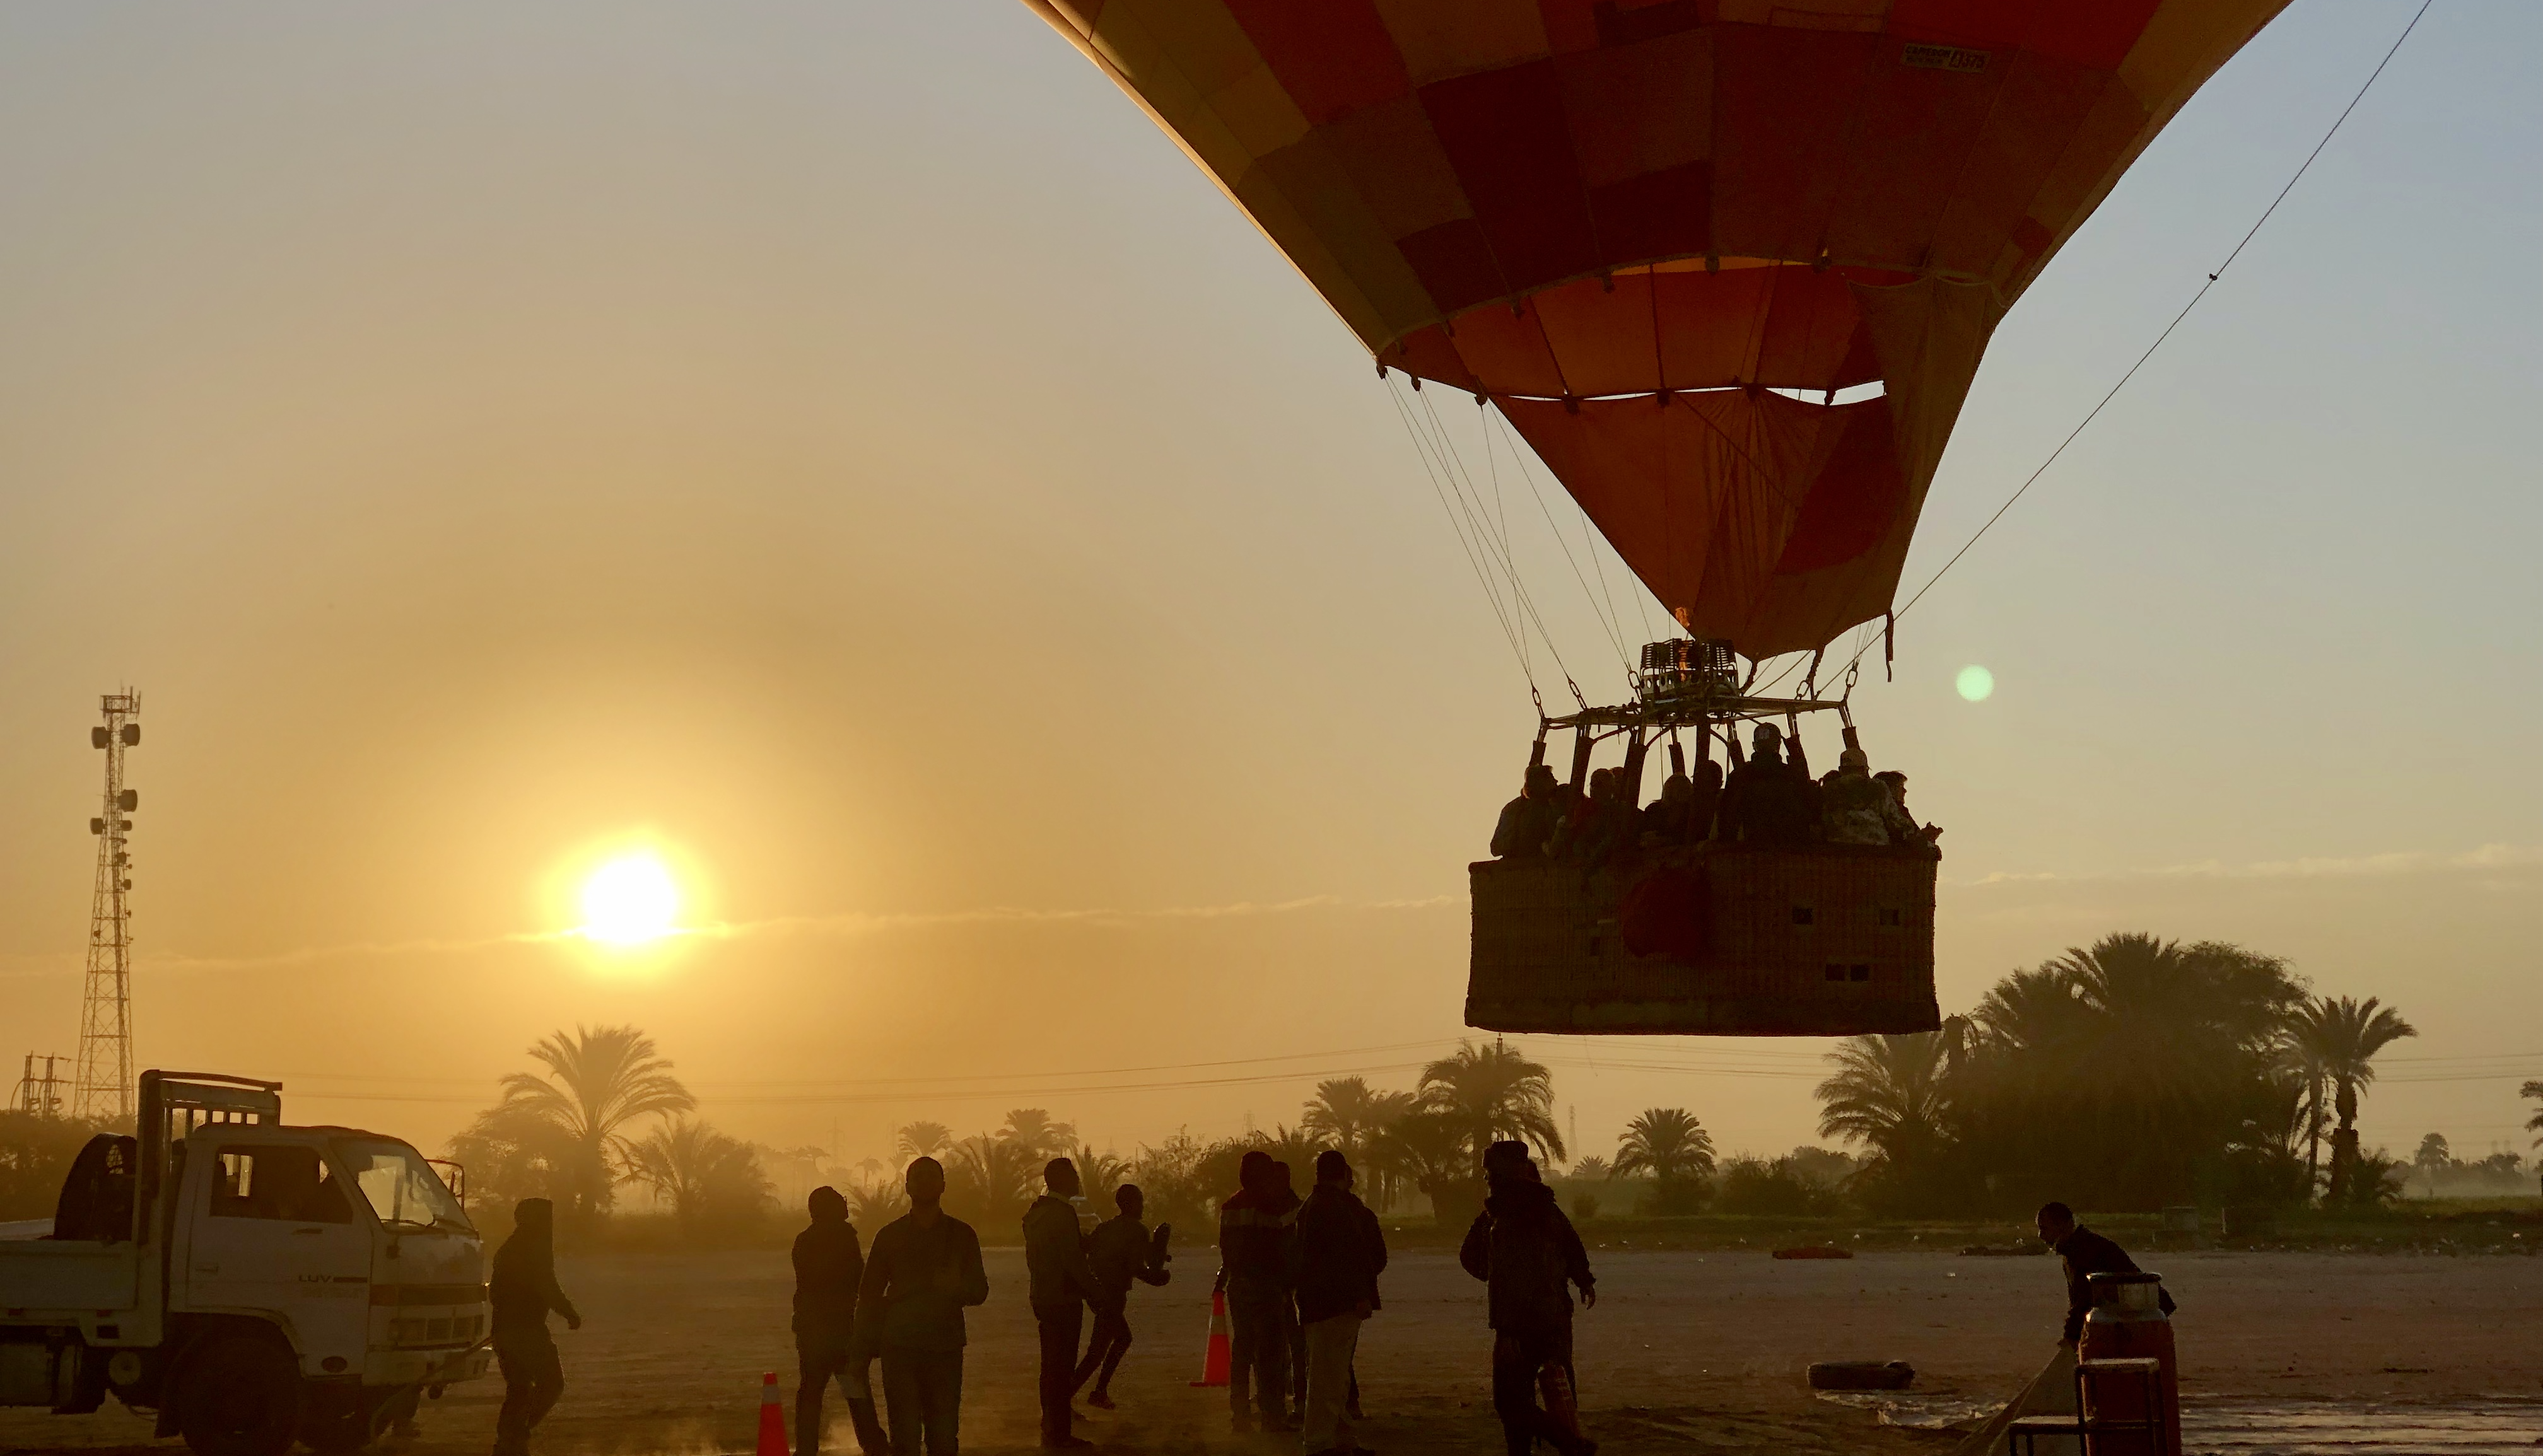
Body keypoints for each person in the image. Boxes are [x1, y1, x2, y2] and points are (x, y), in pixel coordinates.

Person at [1459, 1144, 1598, 1456]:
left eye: (1489, 1173)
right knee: (1561, 1392)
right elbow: (1571, 1244)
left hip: (1520, 1325)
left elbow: (1507, 1279)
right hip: (1555, 1317)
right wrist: (1583, 1279)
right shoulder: (1545, 1207)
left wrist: (1507, 1330)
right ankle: (1569, 1441)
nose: (1487, 1179)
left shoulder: (1503, 1219)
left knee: (1509, 1401)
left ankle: (1568, 1444)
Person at [856, 1158, 989, 1456]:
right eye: (919, 1178)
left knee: (943, 1438)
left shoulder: (962, 1235)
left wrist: (955, 1289)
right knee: (905, 1438)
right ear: (907, 1187)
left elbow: (980, 1290)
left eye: (931, 1177)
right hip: (900, 1348)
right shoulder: (889, 1236)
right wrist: (866, 1344)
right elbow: (869, 1295)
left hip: (944, 1347)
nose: (925, 1183)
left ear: (943, 1186)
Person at [1290, 1151, 1386, 1456]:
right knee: (1328, 1378)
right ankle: (1319, 1443)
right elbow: (1349, 1258)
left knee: (1334, 1375)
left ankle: (1341, 1439)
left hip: (1320, 1304)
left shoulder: (1314, 1207)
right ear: (1345, 1174)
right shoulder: (1337, 1208)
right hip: (1333, 1305)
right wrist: (1359, 1295)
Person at [793, 1187, 886, 1456]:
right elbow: (857, 1280)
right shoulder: (845, 1236)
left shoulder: (804, 1240)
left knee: (811, 1394)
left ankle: (806, 1448)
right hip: (841, 1332)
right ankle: (873, 1445)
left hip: (812, 1332)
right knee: (855, 1391)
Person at [489, 1197, 581, 1456]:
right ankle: (517, 1434)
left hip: (504, 1330)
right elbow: (546, 1285)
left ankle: (508, 1442)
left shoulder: (510, 1247)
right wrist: (569, 1313)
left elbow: (495, 1294)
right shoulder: (533, 1246)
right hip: (525, 1331)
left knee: (519, 1387)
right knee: (552, 1384)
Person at [1022, 1158, 1101, 1450]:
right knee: (1063, 1367)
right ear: (1062, 1179)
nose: (1077, 1179)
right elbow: (1073, 1263)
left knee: (1050, 1366)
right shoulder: (1063, 1213)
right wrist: (1096, 1292)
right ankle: (1060, 1433)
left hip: (1042, 1295)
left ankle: (1051, 1426)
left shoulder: (1035, 1213)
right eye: (1073, 1175)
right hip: (1064, 1298)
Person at [1215, 1150, 1296, 1433]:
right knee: (1271, 1353)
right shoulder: (1270, 1206)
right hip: (1266, 1285)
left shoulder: (1229, 1207)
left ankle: (1240, 1414)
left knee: (1243, 1349)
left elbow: (1226, 1249)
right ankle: (1273, 1417)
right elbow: (1281, 1246)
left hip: (1238, 1285)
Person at [1074, 1183, 1170, 1410]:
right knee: (1097, 1352)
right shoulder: (1136, 1230)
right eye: (1140, 1202)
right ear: (1131, 1204)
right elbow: (1138, 1267)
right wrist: (1158, 1277)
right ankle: (1073, 1395)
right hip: (1113, 1296)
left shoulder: (1106, 1228)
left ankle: (1095, 1392)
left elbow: (1091, 1249)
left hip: (1098, 1294)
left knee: (1119, 1340)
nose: (1143, 1208)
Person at [2037, 1201, 2175, 1346]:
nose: (2040, 1235)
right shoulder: (2077, 1250)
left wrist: (2071, 1336)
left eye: (2044, 1229)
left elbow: (2085, 1299)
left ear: (2065, 1226)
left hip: (2137, 1317)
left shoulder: (2084, 1251)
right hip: (2132, 1316)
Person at [1717, 724, 1816, 846]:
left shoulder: (1739, 777)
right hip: (1790, 851)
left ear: (1754, 746)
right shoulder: (1794, 776)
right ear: (1778, 745)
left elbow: (1727, 820)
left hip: (1749, 852)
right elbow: (1810, 812)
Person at [1819, 748, 1891, 846]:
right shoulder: (1877, 787)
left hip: (1838, 850)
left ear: (1841, 770)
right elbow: (1895, 820)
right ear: (1864, 769)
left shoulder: (1828, 790)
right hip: (1875, 851)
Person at [1490, 763, 1561, 859]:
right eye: (1551, 778)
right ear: (1542, 783)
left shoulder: (1512, 807)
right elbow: (1496, 847)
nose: (1556, 781)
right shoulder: (1541, 809)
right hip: (1529, 863)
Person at [1874, 770, 1942, 853]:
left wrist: (1926, 835)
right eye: (1900, 787)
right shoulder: (1893, 812)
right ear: (1889, 789)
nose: (1905, 791)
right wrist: (1925, 838)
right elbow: (1906, 838)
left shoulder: (1899, 811)